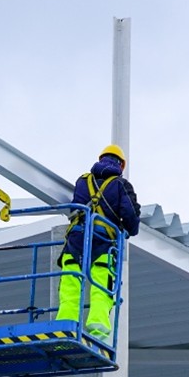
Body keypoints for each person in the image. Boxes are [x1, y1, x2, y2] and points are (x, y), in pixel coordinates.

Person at [56, 144, 141, 340]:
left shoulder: (82, 181)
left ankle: (65, 326)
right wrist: (129, 228)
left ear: (100, 160)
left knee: (70, 283)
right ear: (121, 165)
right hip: (103, 241)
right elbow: (130, 216)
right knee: (102, 283)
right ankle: (98, 327)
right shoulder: (120, 185)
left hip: (76, 238)